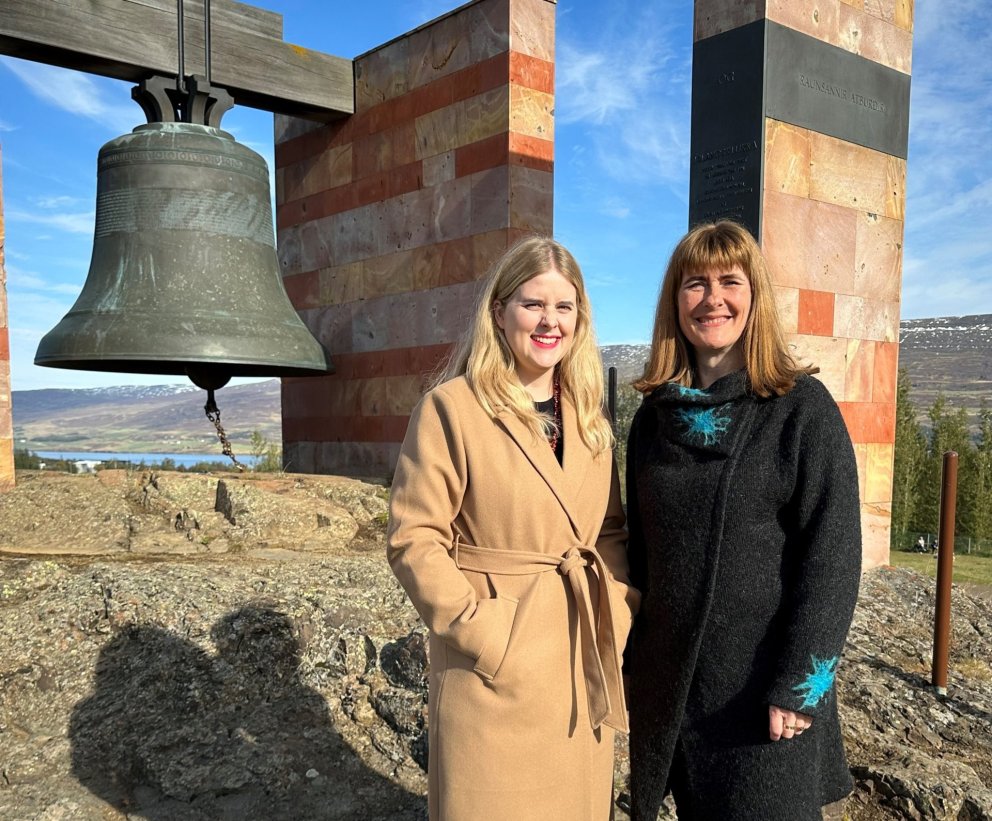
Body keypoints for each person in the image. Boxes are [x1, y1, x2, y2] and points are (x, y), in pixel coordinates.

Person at [387, 236, 640, 820]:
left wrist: (618, 611)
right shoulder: (452, 407)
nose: (549, 321)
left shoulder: (589, 417)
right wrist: (487, 634)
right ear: (499, 313)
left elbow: (609, 532)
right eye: (533, 304)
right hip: (490, 674)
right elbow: (413, 538)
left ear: (579, 321)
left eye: (564, 307)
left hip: (581, 662)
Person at [624, 221, 862, 821]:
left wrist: (800, 690)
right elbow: (642, 558)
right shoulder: (652, 421)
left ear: (754, 297)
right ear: (674, 301)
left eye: (730, 281)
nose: (713, 299)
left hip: (765, 702)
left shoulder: (801, 410)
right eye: (695, 284)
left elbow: (832, 558)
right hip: (676, 695)